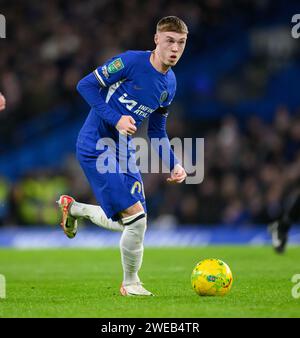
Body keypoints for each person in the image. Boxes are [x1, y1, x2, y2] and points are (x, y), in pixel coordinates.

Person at [57, 16, 188, 296]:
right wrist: (116, 119)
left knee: (132, 223)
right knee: (136, 220)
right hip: (96, 143)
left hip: (124, 149)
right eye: (169, 41)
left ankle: (75, 209)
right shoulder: (130, 62)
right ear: (156, 40)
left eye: (181, 42)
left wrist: (174, 163)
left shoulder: (170, 85)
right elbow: (85, 85)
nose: (174, 48)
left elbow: (157, 131)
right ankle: (130, 284)